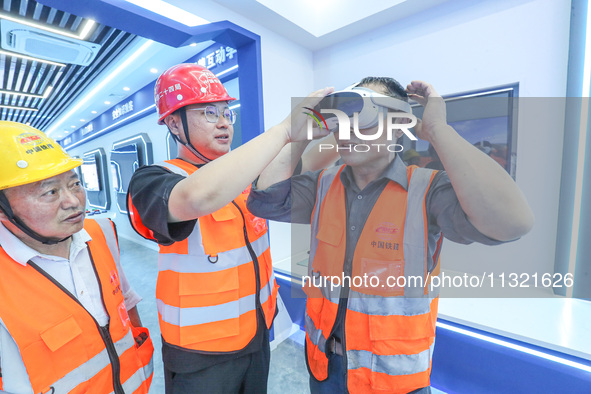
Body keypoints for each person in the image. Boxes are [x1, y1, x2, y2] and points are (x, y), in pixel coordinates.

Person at [246, 77, 534, 393]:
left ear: (397, 125)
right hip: (325, 366)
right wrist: (297, 133)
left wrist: (438, 131)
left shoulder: (427, 190)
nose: (349, 128)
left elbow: (512, 222)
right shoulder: (321, 185)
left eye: (364, 113)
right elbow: (264, 200)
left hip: (392, 379)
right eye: (342, 117)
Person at [126, 63, 333, 393]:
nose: (223, 122)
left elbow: (294, 165)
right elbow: (199, 196)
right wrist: (284, 130)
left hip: (255, 333)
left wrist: (334, 133)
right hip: (201, 352)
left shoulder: (241, 171)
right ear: (174, 124)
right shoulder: (153, 180)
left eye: (226, 112)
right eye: (209, 112)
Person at [0, 121, 154, 394]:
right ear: (3, 210)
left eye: (75, 183)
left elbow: (126, 302)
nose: (74, 201)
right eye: (50, 192)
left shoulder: (100, 231)